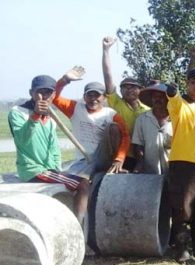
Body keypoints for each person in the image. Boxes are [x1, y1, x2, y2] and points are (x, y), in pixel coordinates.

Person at [8, 75, 90, 224]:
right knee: (83, 184)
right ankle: (78, 229)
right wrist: (35, 116)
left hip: (49, 170)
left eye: (49, 92)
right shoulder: (18, 112)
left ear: (54, 95)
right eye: (41, 92)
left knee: (82, 180)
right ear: (31, 93)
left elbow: (54, 148)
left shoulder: (51, 117)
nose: (45, 96)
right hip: (33, 170)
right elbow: (23, 140)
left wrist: (57, 171)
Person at [165, 68, 195, 263]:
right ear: (187, 84)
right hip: (183, 163)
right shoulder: (178, 106)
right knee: (182, 209)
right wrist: (171, 91)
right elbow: (173, 96)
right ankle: (181, 249)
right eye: (194, 81)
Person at [52, 68, 131, 177]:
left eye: (97, 95)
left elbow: (125, 137)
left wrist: (119, 159)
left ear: (104, 98)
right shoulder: (75, 108)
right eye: (89, 95)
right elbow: (53, 97)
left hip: (104, 158)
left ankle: (111, 167)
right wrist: (64, 80)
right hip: (84, 159)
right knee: (71, 183)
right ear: (84, 97)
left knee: (113, 127)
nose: (93, 99)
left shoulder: (111, 114)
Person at [102, 36, 149, 171]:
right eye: (125, 87)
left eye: (133, 87)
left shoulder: (147, 109)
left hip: (142, 156)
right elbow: (108, 76)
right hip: (120, 157)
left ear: (140, 90)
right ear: (120, 90)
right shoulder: (116, 102)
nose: (129, 90)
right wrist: (106, 50)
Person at [132, 83, 173, 175]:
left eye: (161, 97)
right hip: (149, 171)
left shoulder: (176, 119)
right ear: (151, 99)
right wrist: (141, 162)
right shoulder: (142, 119)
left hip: (173, 170)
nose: (158, 99)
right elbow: (138, 145)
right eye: (155, 97)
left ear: (168, 99)